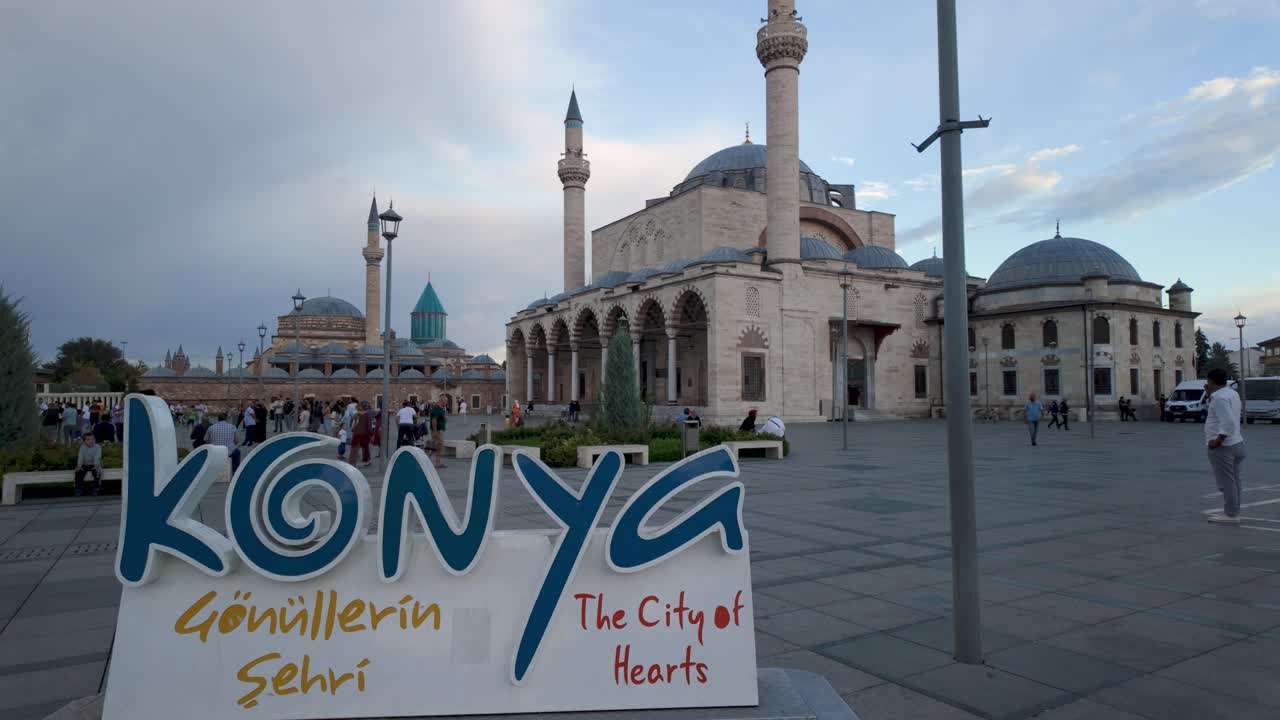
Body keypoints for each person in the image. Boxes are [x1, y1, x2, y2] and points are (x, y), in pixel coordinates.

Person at [1204, 368, 1246, 524]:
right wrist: (1209, 395)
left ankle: (1231, 514)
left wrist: (1217, 441)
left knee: (1226, 482)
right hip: (1237, 443)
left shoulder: (1219, 398)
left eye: (1208, 382)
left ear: (1212, 382)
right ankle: (1234, 511)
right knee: (1234, 480)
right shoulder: (1231, 393)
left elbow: (1228, 423)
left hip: (1224, 447)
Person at [350, 403, 373, 467]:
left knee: (354, 448)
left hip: (356, 434)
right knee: (365, 448)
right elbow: (369, 426)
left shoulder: (355, 415)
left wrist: (354, 430)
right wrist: (371, 433)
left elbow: (351, 424)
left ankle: (352, 462)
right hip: (364, 434)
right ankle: (367, 461)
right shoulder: (367, 415)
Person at [429, 395, 448, 469]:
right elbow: (434, 420)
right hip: (437, 431)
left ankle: (429, 460)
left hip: (439, 430)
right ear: (442, 401)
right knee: (438, 446)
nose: (446, 403)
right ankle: (437, 463)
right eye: (446, 401)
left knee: (435, 446)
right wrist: (435, 431)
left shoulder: (441, 408)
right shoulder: (436, 408)